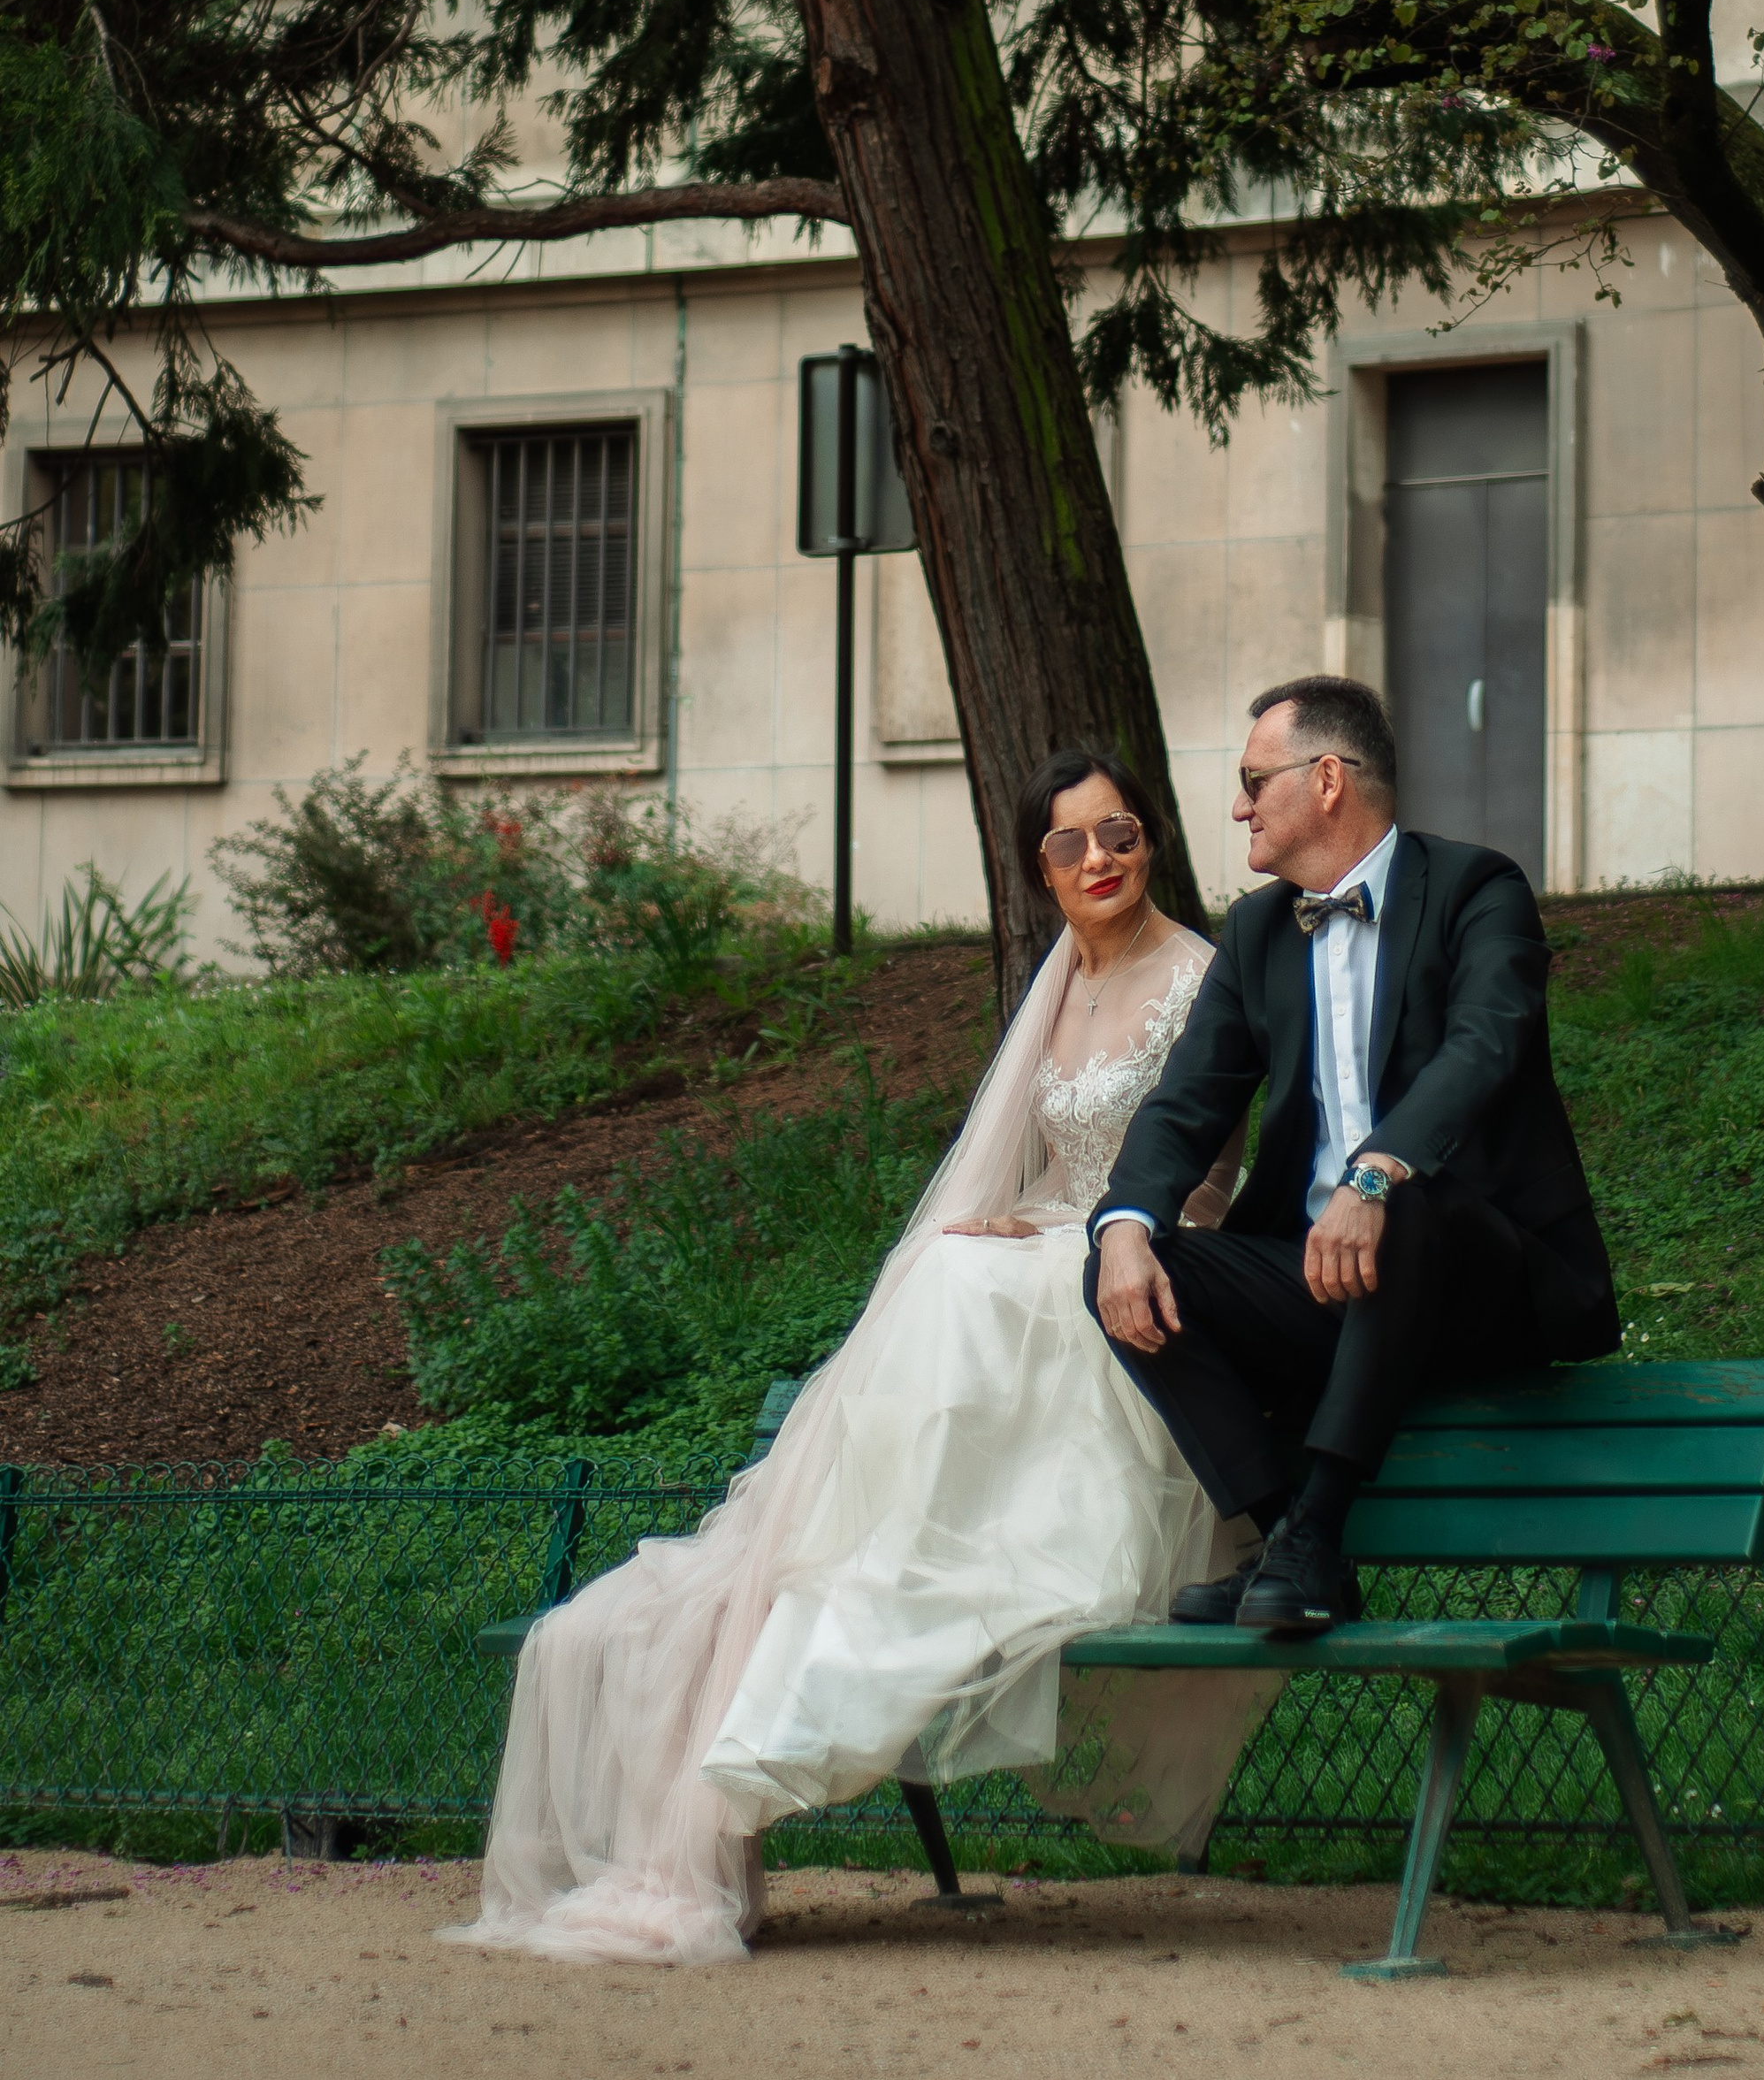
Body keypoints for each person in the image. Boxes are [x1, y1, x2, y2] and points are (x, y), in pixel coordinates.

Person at [448, 746, 1253, 1965]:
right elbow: (1045, 1162)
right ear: (1038, 866)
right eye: (1071, 842)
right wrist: (1027, 1213)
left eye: (1121, 833)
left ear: (1152, 843)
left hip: (1153, 1270)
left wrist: (1072, 1230)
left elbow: (1206, 1171)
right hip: (1053, 1251)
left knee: (969, 1281)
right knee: (953, 1264)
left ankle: (903, 1558)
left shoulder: (1202, 976)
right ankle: (855, 1567)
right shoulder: (1055, 984)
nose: (1100, 859)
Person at [1088, 674, 1619, 1635]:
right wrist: (1125, 1225)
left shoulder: (1475, 888)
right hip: (1328, 1284)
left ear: (1325, 779)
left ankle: (1317, 1526)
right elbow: (1186, 1102)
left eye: (1255, 779)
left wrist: (1377, 1171)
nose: (1237, 804)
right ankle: (1283, 1535)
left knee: (1406, 1200)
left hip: (1475, 1280)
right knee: (1127, 1265)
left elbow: (1487, 1042)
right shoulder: (1255, 932)